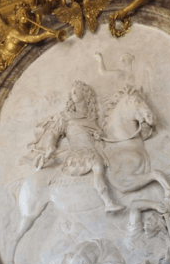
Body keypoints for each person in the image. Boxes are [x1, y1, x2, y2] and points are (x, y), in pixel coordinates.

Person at [24, 80, 123, 213]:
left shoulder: (90, 118)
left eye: (77, 90)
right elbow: (54, 133)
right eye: (72, 92)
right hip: (78, 154)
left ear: (85, 94)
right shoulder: (66, 117)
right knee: (97, 165)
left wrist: (97, 137)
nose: (73, 93)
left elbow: (95, 134)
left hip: (94, 150)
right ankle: (108, 202)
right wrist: (50, 148)